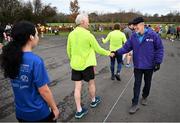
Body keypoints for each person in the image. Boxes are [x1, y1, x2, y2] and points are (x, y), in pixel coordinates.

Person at [0, 21, 60, 122]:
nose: (38, 37)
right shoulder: (35, 61)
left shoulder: (11, 58)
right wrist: (54, 108)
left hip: (21, 113)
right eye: (36, 34)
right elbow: (44, 90)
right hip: (38, 113)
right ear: (31, 37)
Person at [67, 13, 114, 119]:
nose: (89, 23)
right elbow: (98, 49)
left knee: (77, 88)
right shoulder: (88, 35)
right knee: (91, 83)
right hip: (87, 65)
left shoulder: (71, 34)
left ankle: (79, 110)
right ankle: (93, 101)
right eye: (88, 20)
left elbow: (68, 50)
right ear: (82, 22)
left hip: (75, 65)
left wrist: (73, 59)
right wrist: (109, 53)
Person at [116, 17, 164, 114]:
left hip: (149, 66)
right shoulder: (133, 36)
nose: (134, 28)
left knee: (147, 83)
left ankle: (145, 96)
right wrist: (117, 52)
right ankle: (134, 104)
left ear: (142, 24)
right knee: (136, 84)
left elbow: (159, 49)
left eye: (136, 25)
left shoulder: (153, 35)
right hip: (138, 65)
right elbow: (126, 47)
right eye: (133, 26)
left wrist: (158, 62)